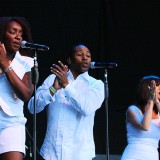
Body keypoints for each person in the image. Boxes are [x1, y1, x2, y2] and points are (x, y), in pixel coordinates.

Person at [28, 44, 105, 160]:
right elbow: (32, 108)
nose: (85, 58)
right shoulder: (52, 79)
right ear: (69, 60)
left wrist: (66, 85)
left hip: (80, 154)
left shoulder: (96, 85)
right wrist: (52, 89)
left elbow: (87, 108)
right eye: (80, 54)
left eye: (88, 56)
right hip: (51, 153)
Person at [0, 17, 34, 160]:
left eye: (20, 33)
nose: (18, 36)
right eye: (13, 32)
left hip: (11, 123)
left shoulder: (26, 62)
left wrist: (4, 64)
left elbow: (25, 94)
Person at [121, 75, 160, 160]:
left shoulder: (158, 112)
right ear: (147, 89)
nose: (159, 89)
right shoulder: (133, 110)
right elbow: (145, 126)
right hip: (133, 156)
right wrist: (150, 101)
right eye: (157, 86)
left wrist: (157, 102)